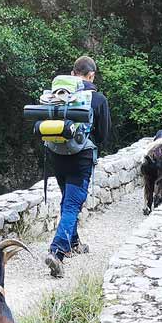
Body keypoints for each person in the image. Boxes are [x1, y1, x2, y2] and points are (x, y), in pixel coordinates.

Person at [44, 55, 110, 278]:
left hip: (56, 155)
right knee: (72, 206)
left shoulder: (57, 97)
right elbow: (102, 135)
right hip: (81, 159)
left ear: (73, 74)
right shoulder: (98, 99)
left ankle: (73, 242)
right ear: (91, 75)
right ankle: (57, 252)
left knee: (68, 201)